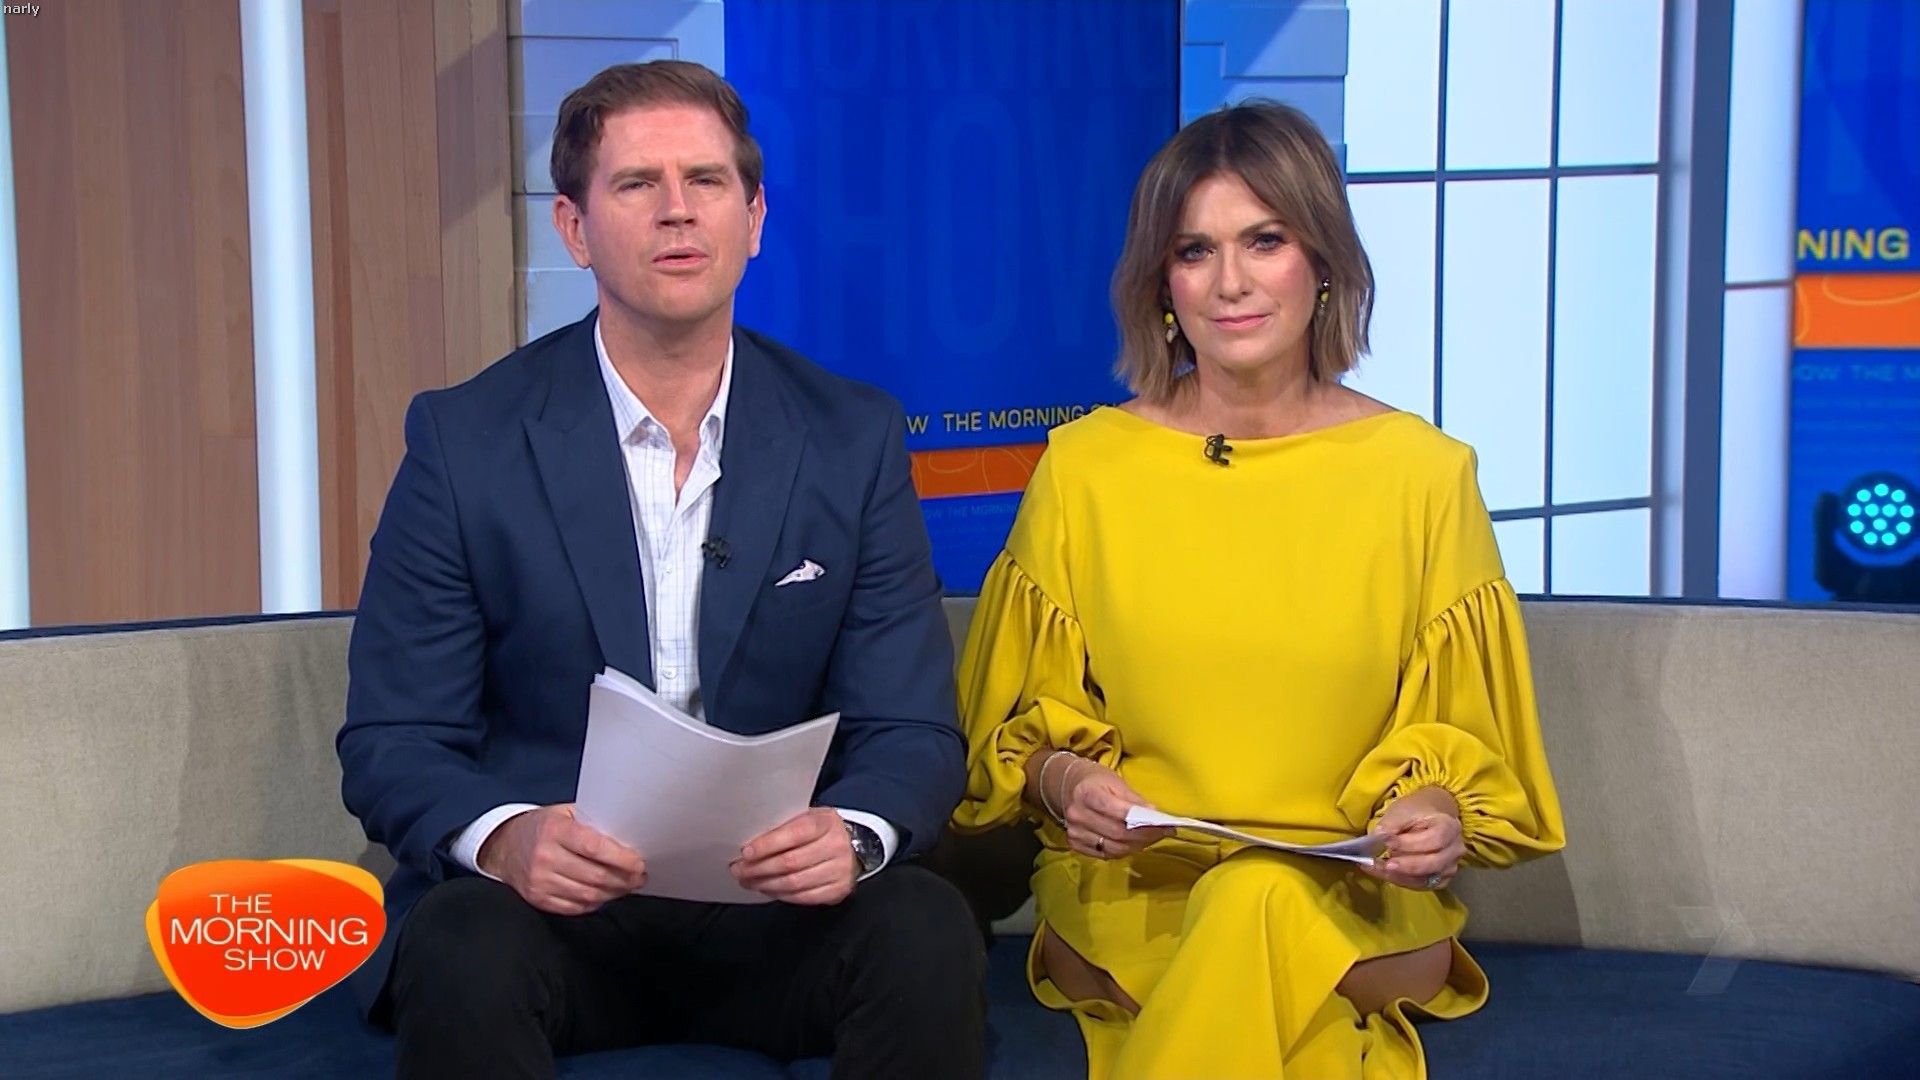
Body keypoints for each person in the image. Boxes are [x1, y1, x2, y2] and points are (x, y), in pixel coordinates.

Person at [337, 60, 984, 1079]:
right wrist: (508, 840)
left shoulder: (850, 438)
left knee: (926, 929)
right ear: (574, 227)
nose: (677, 211)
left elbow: (911, 729)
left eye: (707, 181)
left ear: (754, 218)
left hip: (777, 911)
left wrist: (854, 834)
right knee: (461, 945)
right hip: (556, 913)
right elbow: (394, 740)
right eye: (638, 183)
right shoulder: (467, 442)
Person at [952, 101, 1566, 1078]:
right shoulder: (1085, 470)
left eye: (1265, 241)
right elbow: (1013, 732)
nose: (1230, 281)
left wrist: (1436, 814)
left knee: (1258, 898)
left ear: (1322, 260)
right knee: (1241, 918)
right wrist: (1067, 784)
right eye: (1195, 250)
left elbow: (1465, 744)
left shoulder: (1423, 476)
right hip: (1138, 902)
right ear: (1162, 281)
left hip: (1353, 912)